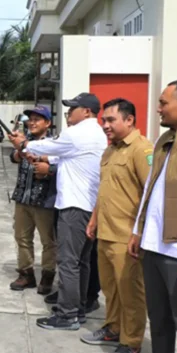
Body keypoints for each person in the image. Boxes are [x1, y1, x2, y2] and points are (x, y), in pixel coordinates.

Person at [8, 92, 107, 330]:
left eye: (73, 108)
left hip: (74, 206)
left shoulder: (78, 133)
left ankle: (67, 314)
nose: (69, 113)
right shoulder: (94, 134)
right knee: (81, 262)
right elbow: (55, 156)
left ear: (86, 112)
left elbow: (48, 147)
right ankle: (78, 307)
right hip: (87, 206)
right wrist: (32, 151)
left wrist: (23, 143)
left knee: (69, 262)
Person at [125, 79, 177, 353]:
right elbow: (150, 191)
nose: (158, 108)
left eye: (163, 102)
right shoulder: (166, 140)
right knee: (159, 318)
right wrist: (138, 231)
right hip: (154, 247)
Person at [80, 98, 151, 353]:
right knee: (111, 289)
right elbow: (105, 190)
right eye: (103, 121)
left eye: (111, 120)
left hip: (127, 237)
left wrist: (140, 233)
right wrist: (94, 220)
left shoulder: (141, 150)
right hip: (106, 233)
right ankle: (112, 329)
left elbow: (151, 194)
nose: (105, 125)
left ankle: (131, 343)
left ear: (129, 120)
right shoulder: (110, 152)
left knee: (131, 294)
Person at [8, 105, 57, 294]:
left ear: (48, 123)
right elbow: (14, 157)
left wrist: (44, 166)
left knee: (48, 240)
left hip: (44, 201)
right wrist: (19, 150)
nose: (33, 122)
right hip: (23, 197)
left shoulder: (54, 143)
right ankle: (26, 273)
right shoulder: (24, 141)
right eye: (31, 119)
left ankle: (47, 275)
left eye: (38, 119)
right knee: (21, 237)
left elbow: (57, 163)